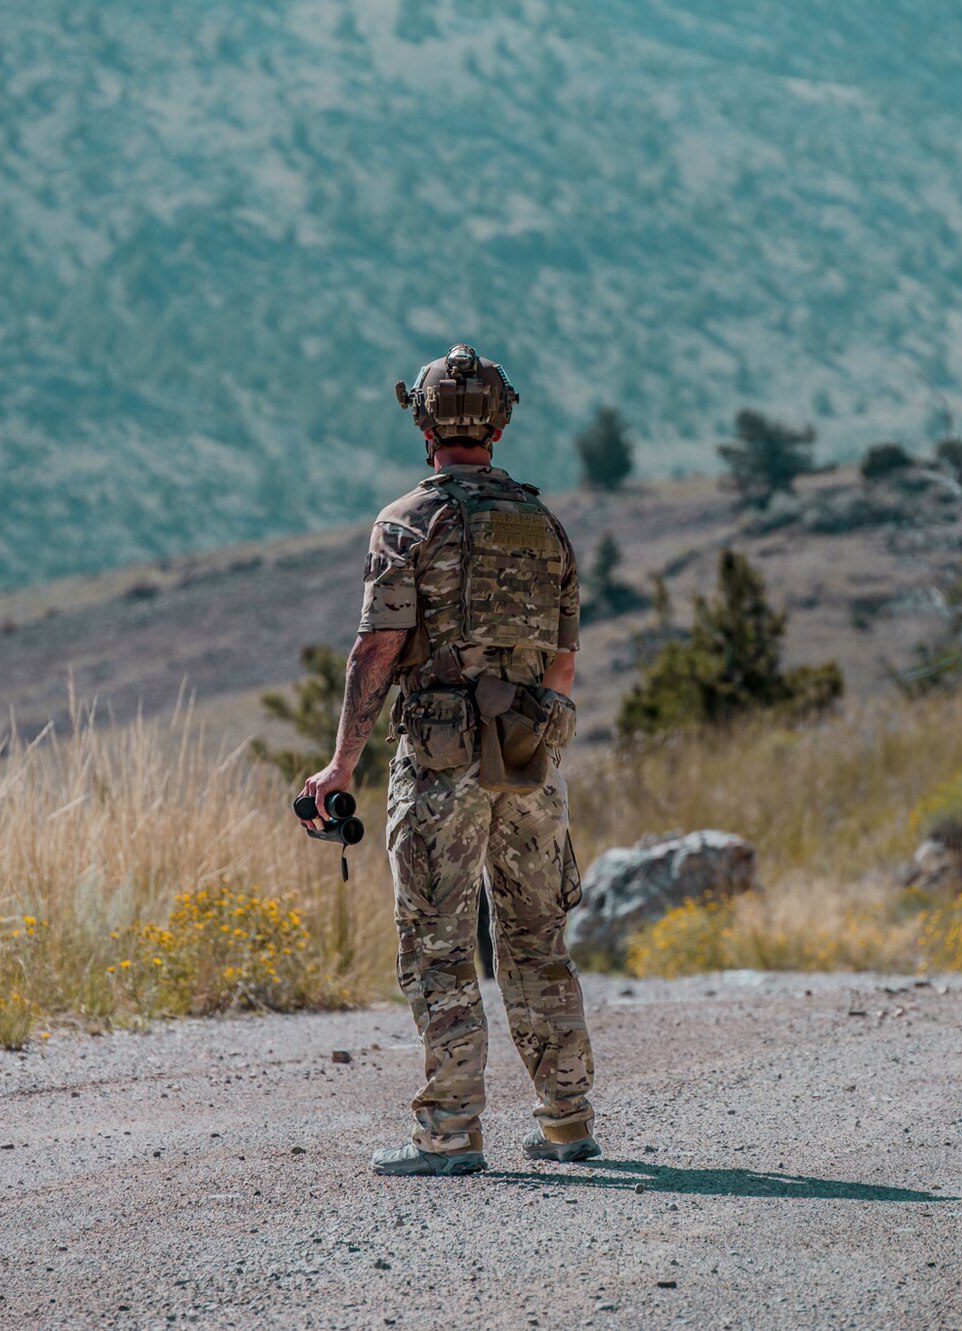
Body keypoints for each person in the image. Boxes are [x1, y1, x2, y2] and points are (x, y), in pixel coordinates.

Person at [300, 344, 598, 1177]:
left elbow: (377, 649)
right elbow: (564, 665)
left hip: (438, 759)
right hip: (532, 756)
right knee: (536, 937)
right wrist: (536, 747)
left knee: (438, 942)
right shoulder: (546, 526)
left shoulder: (406, 522)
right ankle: (568, 1120)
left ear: (424, 424)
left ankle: (451, 1130)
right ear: (500, 423)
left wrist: (339, 766)